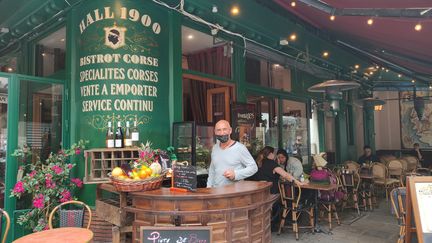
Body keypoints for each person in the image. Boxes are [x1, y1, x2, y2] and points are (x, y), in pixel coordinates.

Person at [207, 120, 258, 188]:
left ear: (230, 130)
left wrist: (236, 174)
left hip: (234, 194)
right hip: (216, 192)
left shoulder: (240, 148)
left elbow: (253, 167)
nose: (222, 133)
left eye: (224, 129)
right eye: (218, 130)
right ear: (215, 132)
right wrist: (209, 187)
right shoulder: (215, 148)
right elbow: (212, 170)